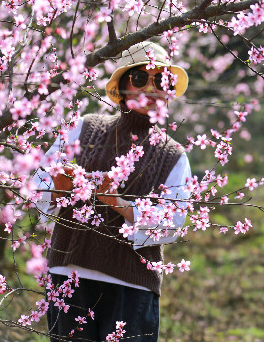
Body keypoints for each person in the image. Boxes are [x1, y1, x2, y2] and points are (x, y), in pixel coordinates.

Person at [34, 41, 191, 341]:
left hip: (132, 286)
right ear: (121, 86)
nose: (153, 89)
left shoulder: (173, 155)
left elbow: (172, 224)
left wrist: (118, 203)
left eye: (163, 80)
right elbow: (39, 189)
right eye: (142, 78)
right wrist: (58, 188)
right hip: (69, 274)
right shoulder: (84, 128)